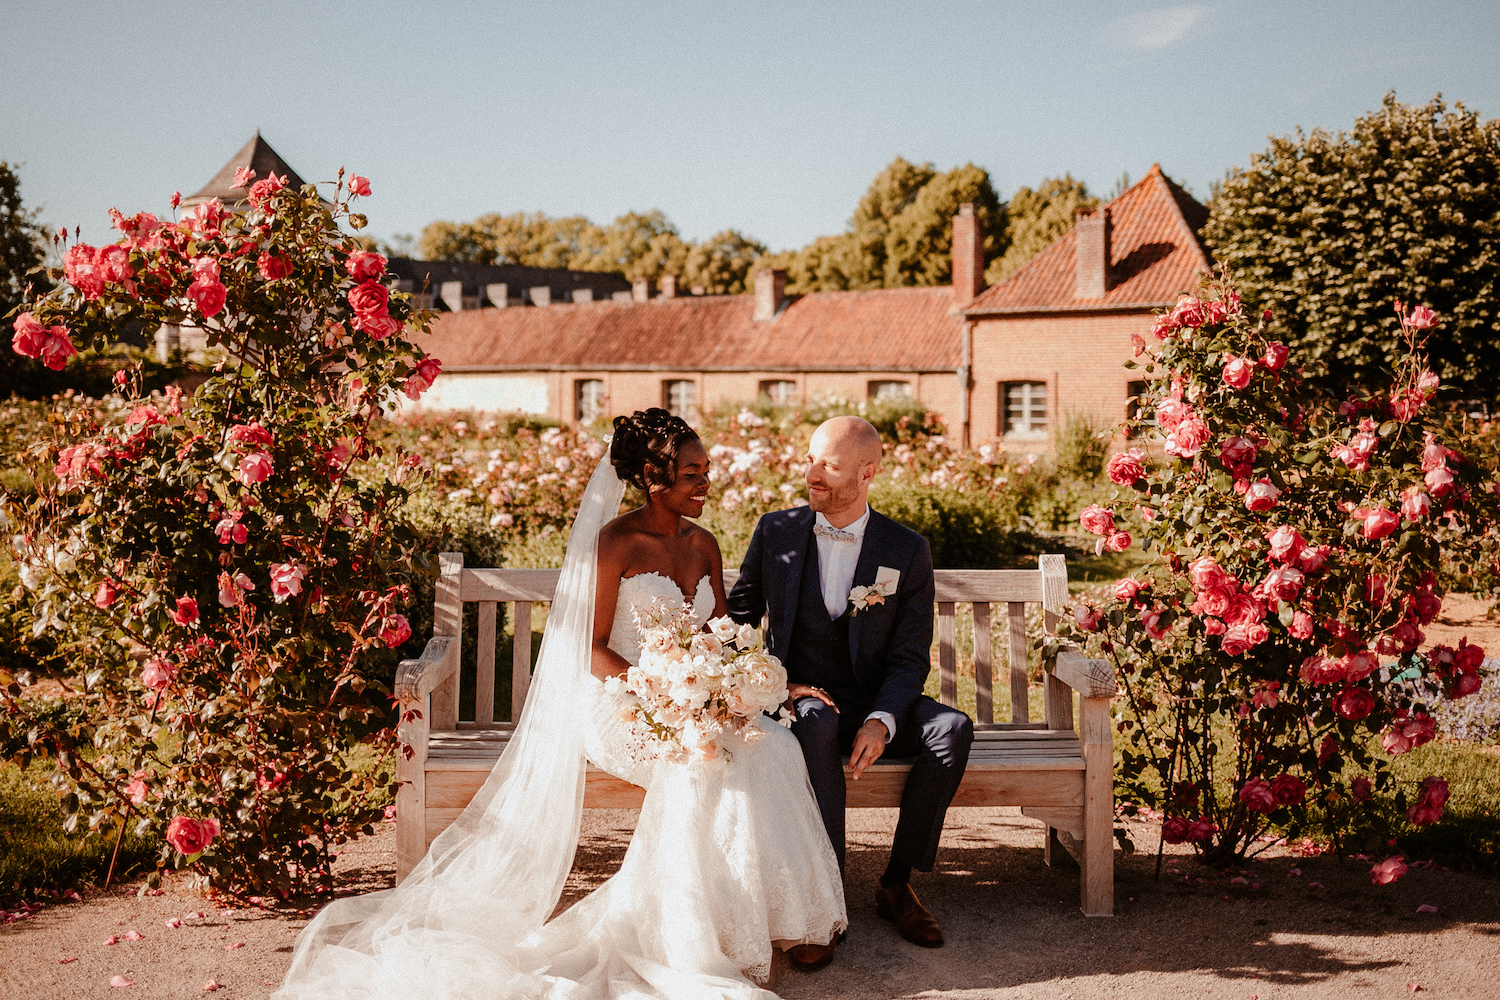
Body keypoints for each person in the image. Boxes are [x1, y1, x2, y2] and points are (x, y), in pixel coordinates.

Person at [274, 408, 845, 1000]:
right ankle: (695, 932)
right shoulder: (615, 543)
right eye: (691, 474)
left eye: (706, 471)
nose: (705, 484)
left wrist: (759, 683)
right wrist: (660, 695)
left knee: (773, 747)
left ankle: (778, 919)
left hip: (691, 695)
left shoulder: (704, 543)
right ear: (654, 476)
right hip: (622, 703)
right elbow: (592, 648)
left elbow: (720, 631)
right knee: (702, 768)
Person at [728, 416, 973, 951]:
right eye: (811, 458)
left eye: (830, 465)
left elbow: (910, 655)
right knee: (817, 722)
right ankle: (824, 895)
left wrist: (883, 721)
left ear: (868, 473)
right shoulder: (777, 532)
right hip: (801, 701)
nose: (812, 473)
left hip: (875, 701)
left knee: (952, 729)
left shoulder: (906, 548)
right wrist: (771, 683)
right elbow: (738, 622)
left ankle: (896, 883)